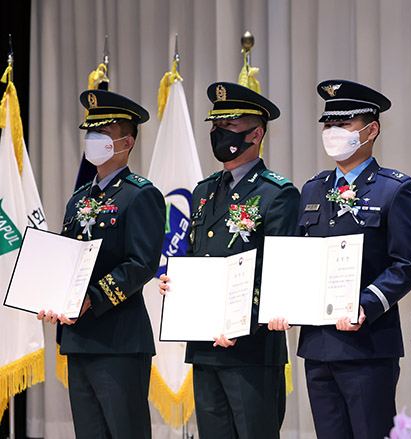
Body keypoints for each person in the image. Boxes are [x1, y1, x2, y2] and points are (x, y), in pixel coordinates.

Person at [267, 79, 411, 439]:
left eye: (344, 124)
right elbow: (298, 259)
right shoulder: (312, 188)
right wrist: (282, 303)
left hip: (366, 344)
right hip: (318, 346)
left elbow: (408, 263)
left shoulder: (394, 189)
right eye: (328, 124)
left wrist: (365, 304)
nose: (332, 132)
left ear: (371, 130)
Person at [159, 82, 300, 439]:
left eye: (228, 125)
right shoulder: (203, 190)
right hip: (205, 345)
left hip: (250, 348)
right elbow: (196, 254)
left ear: (257, 133)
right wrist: (178, 284)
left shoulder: (277, 193)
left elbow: (278, 273)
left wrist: (241, 323)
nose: (216, 132)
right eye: (214, 125)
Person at [39, 90, 164, 439]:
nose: (93, 140)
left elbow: (141, 263)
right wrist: (50, 297)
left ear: (127, 141)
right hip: (79, 338)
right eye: (90, 132)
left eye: (103, 134)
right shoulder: (79, 198)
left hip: (119, 340)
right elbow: (67, 260)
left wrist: (93, 296)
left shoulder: (141, 195)